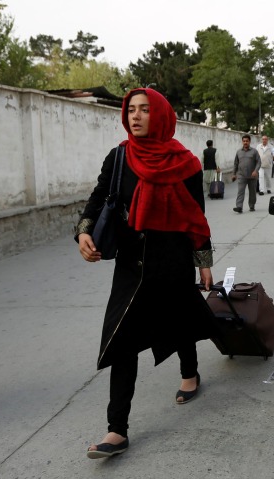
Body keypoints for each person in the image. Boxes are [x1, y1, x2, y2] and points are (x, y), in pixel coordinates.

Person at [75, 87, 216, 460]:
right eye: (130, 110)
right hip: (131, 261)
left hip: (172, 259)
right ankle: (116, 429)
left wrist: (203, 262)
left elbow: (196, 216)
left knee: (180, 317)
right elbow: (98, 196)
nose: (135, 116)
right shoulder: (119, 156)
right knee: (123, 338)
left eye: (144, 110)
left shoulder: (186, 163)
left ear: (160, 115)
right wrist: (84, 230)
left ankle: (191, 372)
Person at [232, 134, 261, 213]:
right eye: (244, 141)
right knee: (240, 191)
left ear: (249, 142)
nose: (245, 142)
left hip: (252, 176)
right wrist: (234, 174)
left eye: (247, 141)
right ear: (242, 142)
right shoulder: (238, 152)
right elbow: (235, 163)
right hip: (242, 175)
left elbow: (259, 162)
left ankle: (252, 206)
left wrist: (255, 171)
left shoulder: (254, 151)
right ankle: (239, 207)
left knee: (252, 192)